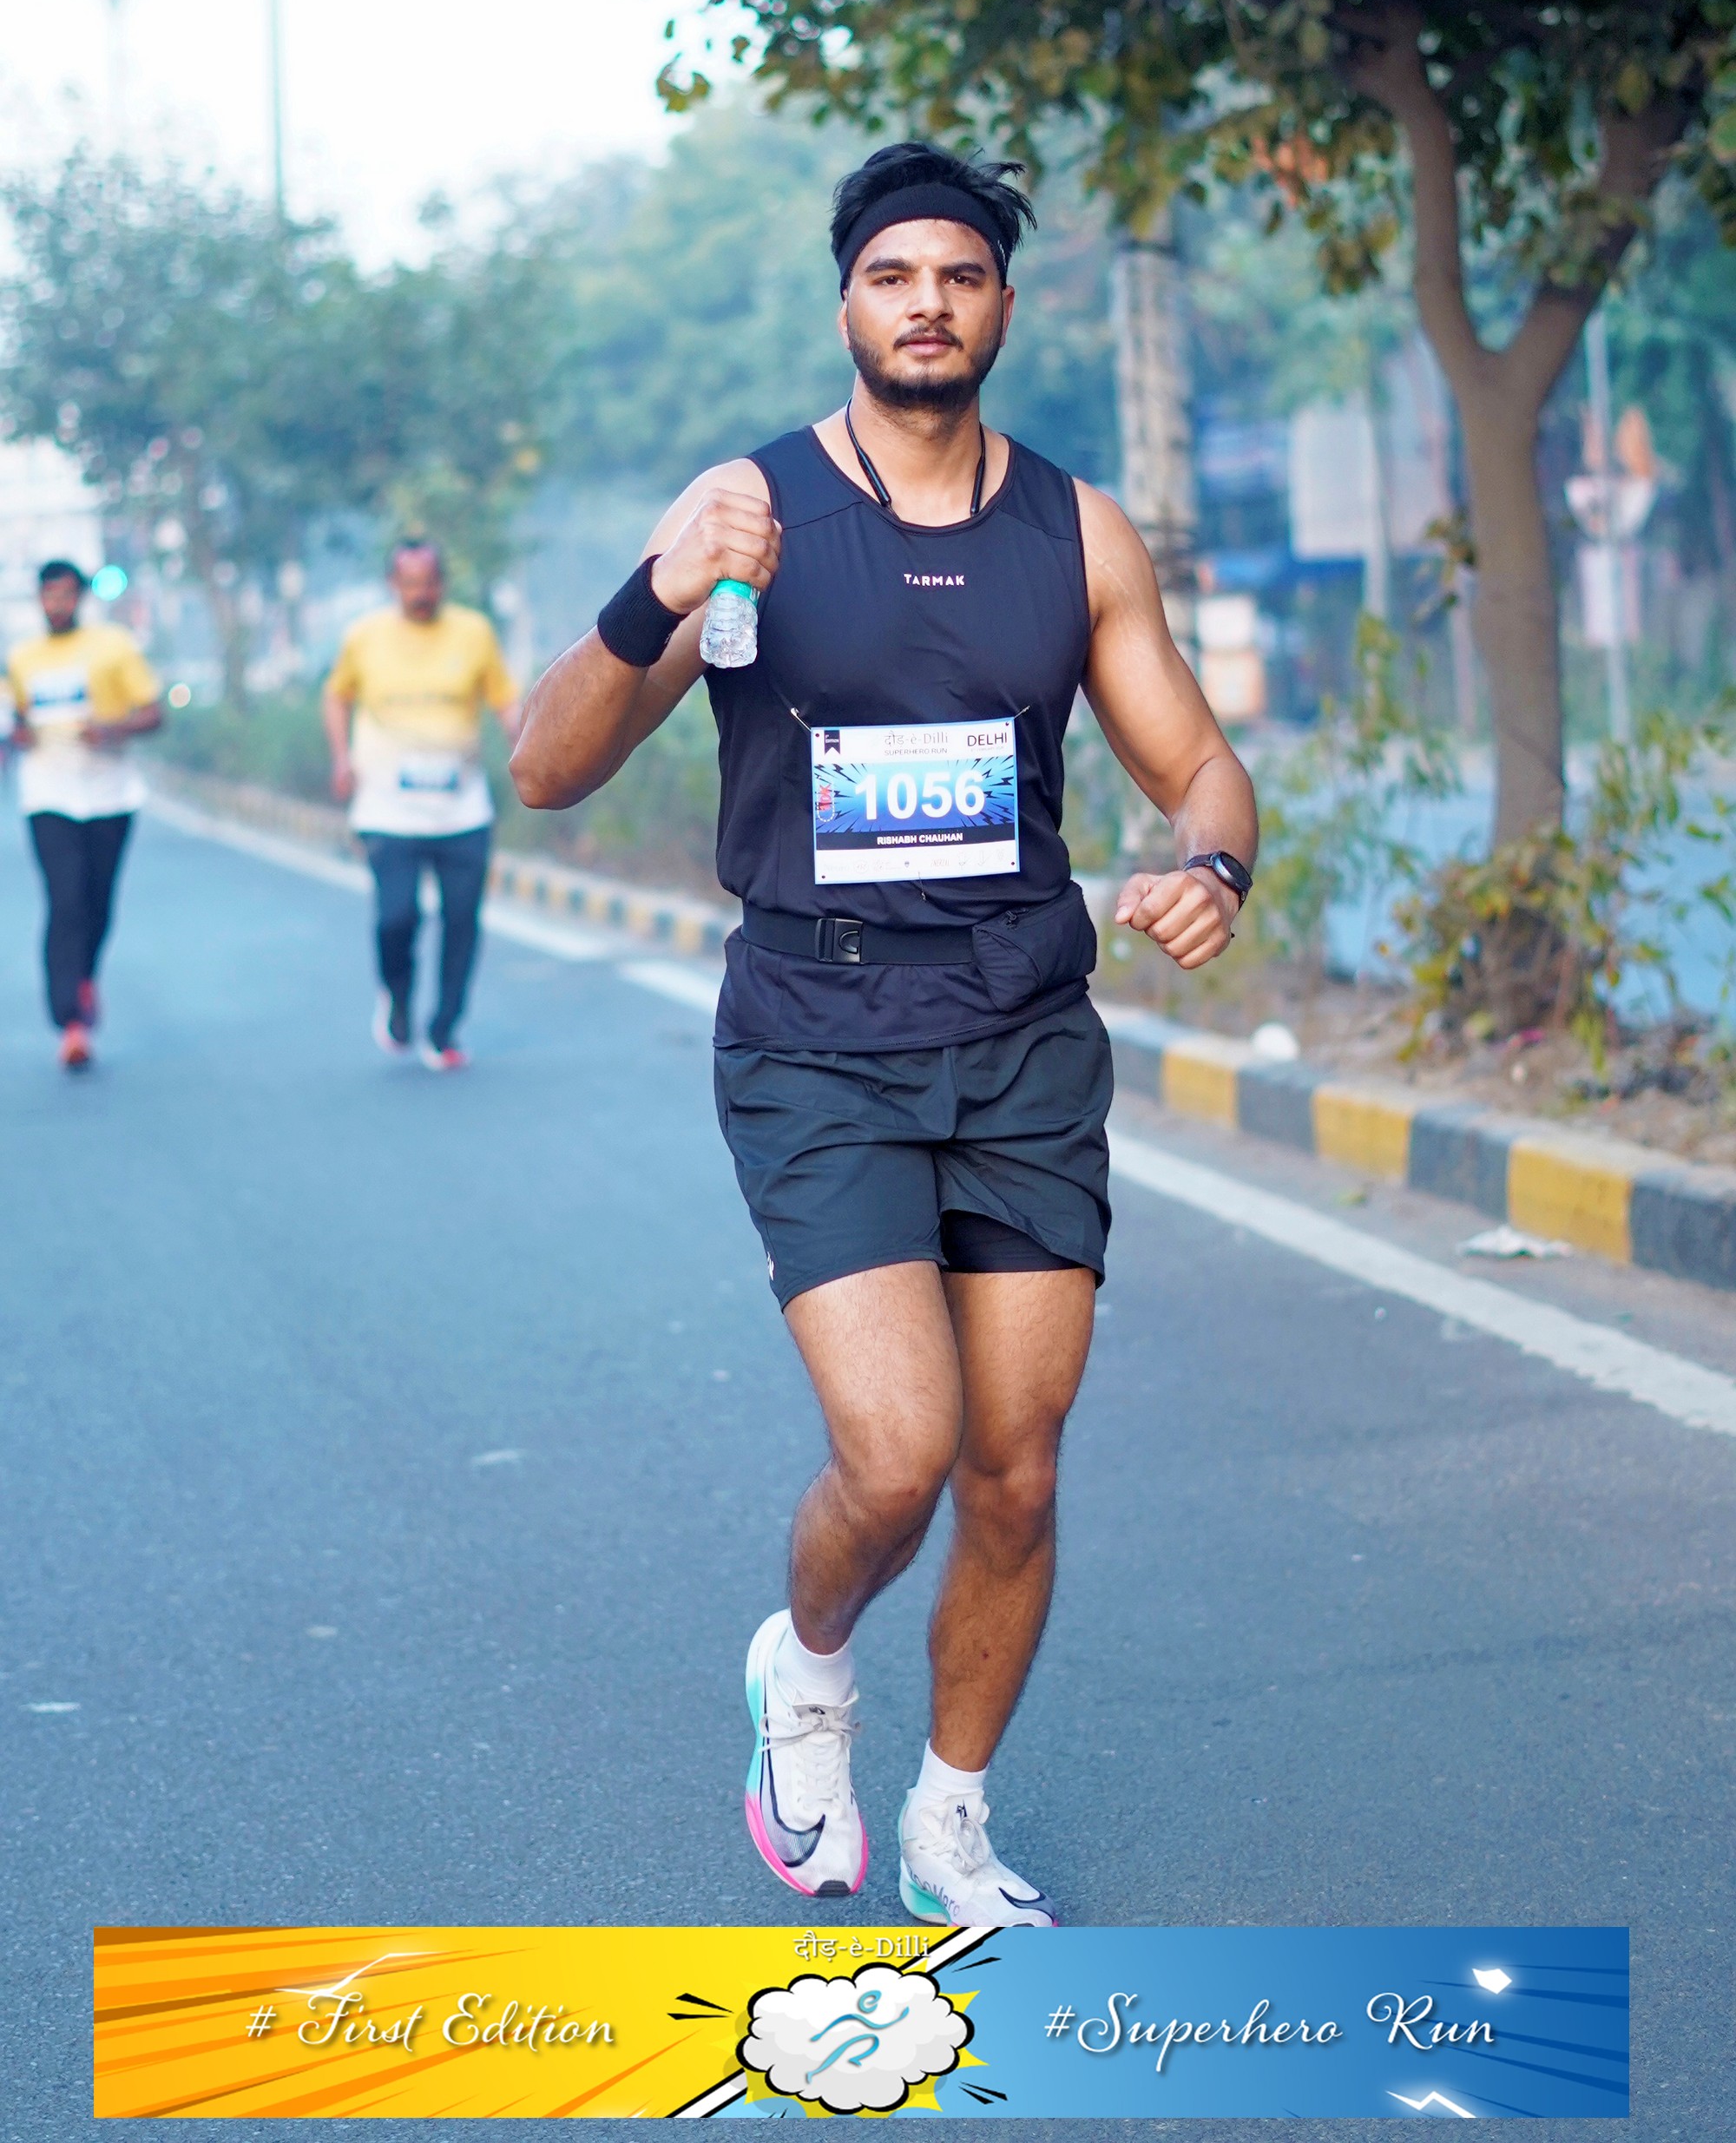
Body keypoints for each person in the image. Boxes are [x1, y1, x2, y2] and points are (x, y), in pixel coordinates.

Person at [510, 141, 1257, 1925]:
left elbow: (1199, 763)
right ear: (846, 301)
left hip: (1021, 1033)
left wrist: (1213, 863)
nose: (928, 304)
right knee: (902, 1450)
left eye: (961, 276)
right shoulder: (748, 516)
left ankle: (952, 1820)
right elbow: (544, 768)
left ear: (1002, 304)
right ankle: (809, 1665)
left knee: (1016, 1471)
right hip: (817, 1036)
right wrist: (655, 592)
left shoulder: (1074, 532)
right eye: (894, 276)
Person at [323, 540, 522, 1070]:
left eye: (429, 583)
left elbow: (505, 701)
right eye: (410, 584)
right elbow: (337, 695)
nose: (421, 593)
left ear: (442, 583)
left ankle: (444, 1029)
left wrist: (526, 748)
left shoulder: (473, 632)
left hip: (462, 807)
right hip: (387, 807)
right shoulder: (364, 636)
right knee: (397, 916)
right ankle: (397, 996)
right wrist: (341, 758)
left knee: (462, 920)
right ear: (393, 585)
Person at [6, 560, 162, 1071]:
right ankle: (70, 1021)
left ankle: (85, 977)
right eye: (49, 595)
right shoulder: (21, 658)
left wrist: (112, 730)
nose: (58, 604)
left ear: (81, 598)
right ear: (39, 599)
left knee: (97, 902)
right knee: (65, 898)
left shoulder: (114, 647)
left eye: (67, 594)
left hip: (109, 793)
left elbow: (153, 713)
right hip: (48, 793)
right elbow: (13, 720)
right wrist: (17, 734)